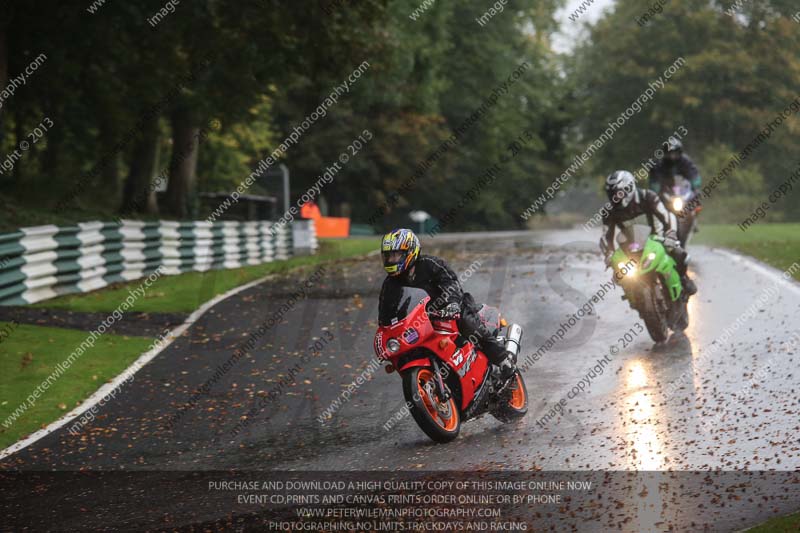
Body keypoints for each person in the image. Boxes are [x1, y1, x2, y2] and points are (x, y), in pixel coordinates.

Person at [378, 228, 517, 380]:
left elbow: (451, 283)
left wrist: (452, 304)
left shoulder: (430, 264)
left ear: (410, 251)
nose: (391, 260)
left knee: (469, 324)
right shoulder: (390, 284)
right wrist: (385, 333)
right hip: (422, 320)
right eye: (388, 256)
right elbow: (386, 311)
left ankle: (503, 360)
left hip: (452, 308)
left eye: (396, 255)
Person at [600, 171, 697, 295]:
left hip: (658, 238)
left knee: (680, 255)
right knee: (619, 273)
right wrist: (609, 254)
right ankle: (633, 296)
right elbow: (606, 236)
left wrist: (670, 235)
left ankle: (683, 279)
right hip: (631, 245)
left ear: (629, 188)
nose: (615, 198)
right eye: (611, 194)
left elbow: (668, 217)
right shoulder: (608, 211)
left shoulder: (648, 197)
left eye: (618, 193)